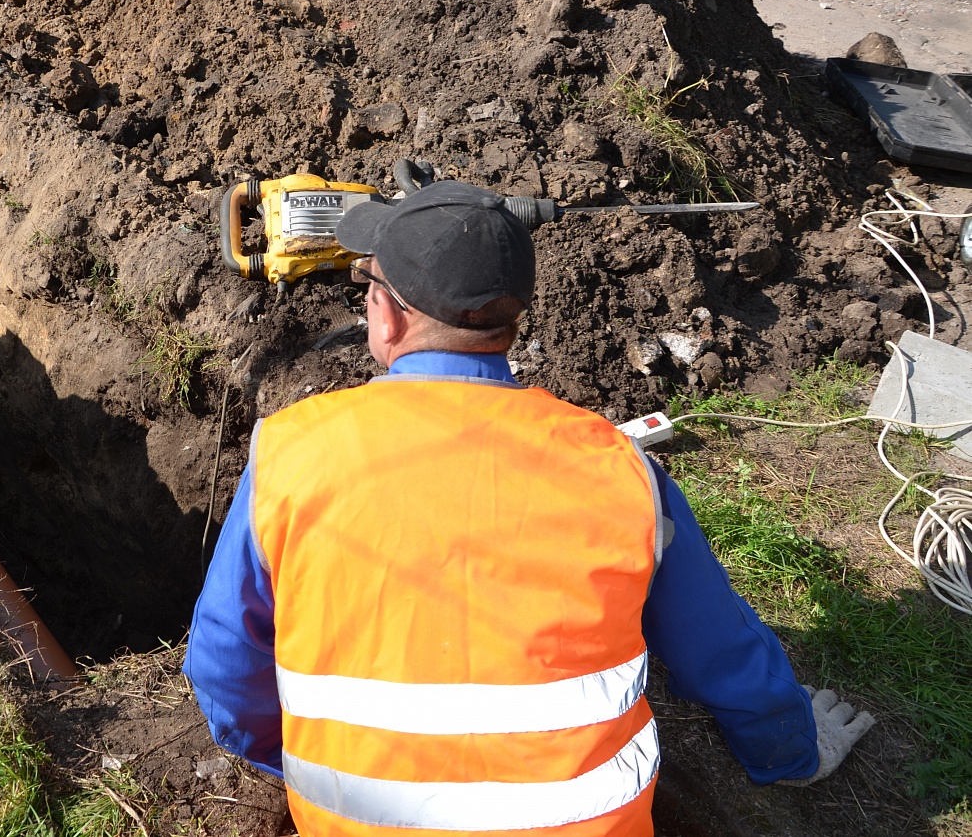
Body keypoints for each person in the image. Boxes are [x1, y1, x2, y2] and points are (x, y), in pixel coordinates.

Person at [184, 181, 875, 836]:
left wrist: (300, 761)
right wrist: (793, 750)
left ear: (386, 315)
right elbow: (719, 649)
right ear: (512, 324)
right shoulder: (618, 467)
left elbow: (223, 662)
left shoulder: (291, 453)